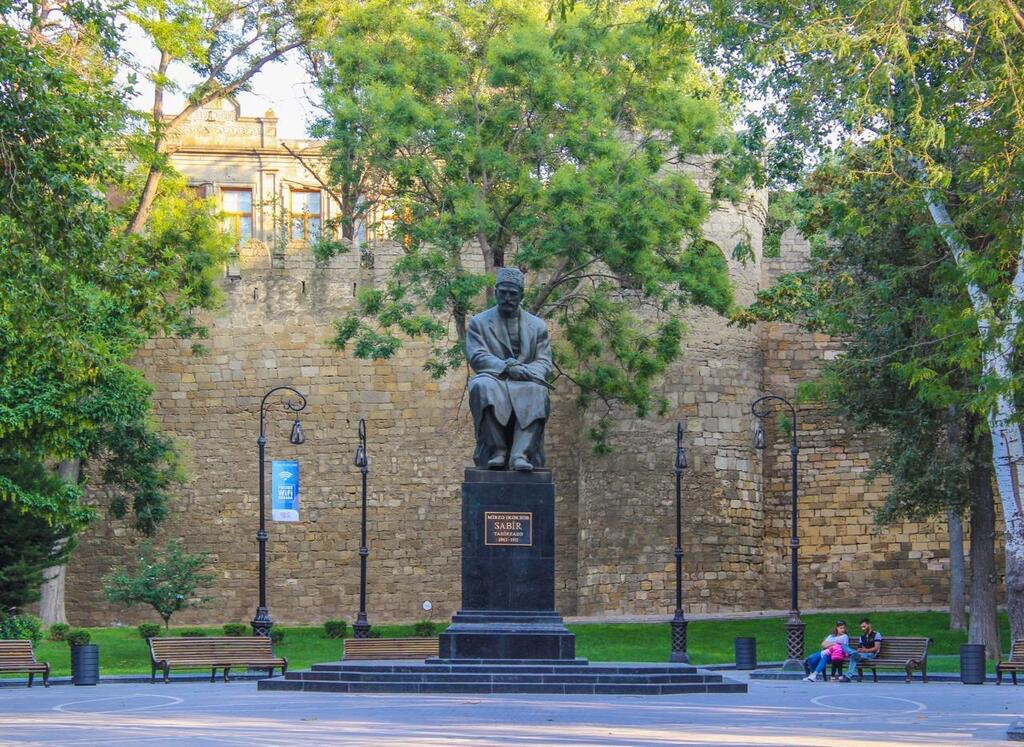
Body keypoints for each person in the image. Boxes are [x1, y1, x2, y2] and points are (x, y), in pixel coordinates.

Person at [466, 267, 553, 471]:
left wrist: (526, 371)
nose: (507, 298)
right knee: (481, 386)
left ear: (521, 296)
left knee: (538, 391)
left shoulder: (537, 326)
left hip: (525, 379)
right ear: (496, 292)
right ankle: (497, 450)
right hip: (495, 377)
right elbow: (477, 356)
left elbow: (544, 362)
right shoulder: (479, 323)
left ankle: (520, 455)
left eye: (512, 294)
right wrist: (506, 367)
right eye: (503, 292)